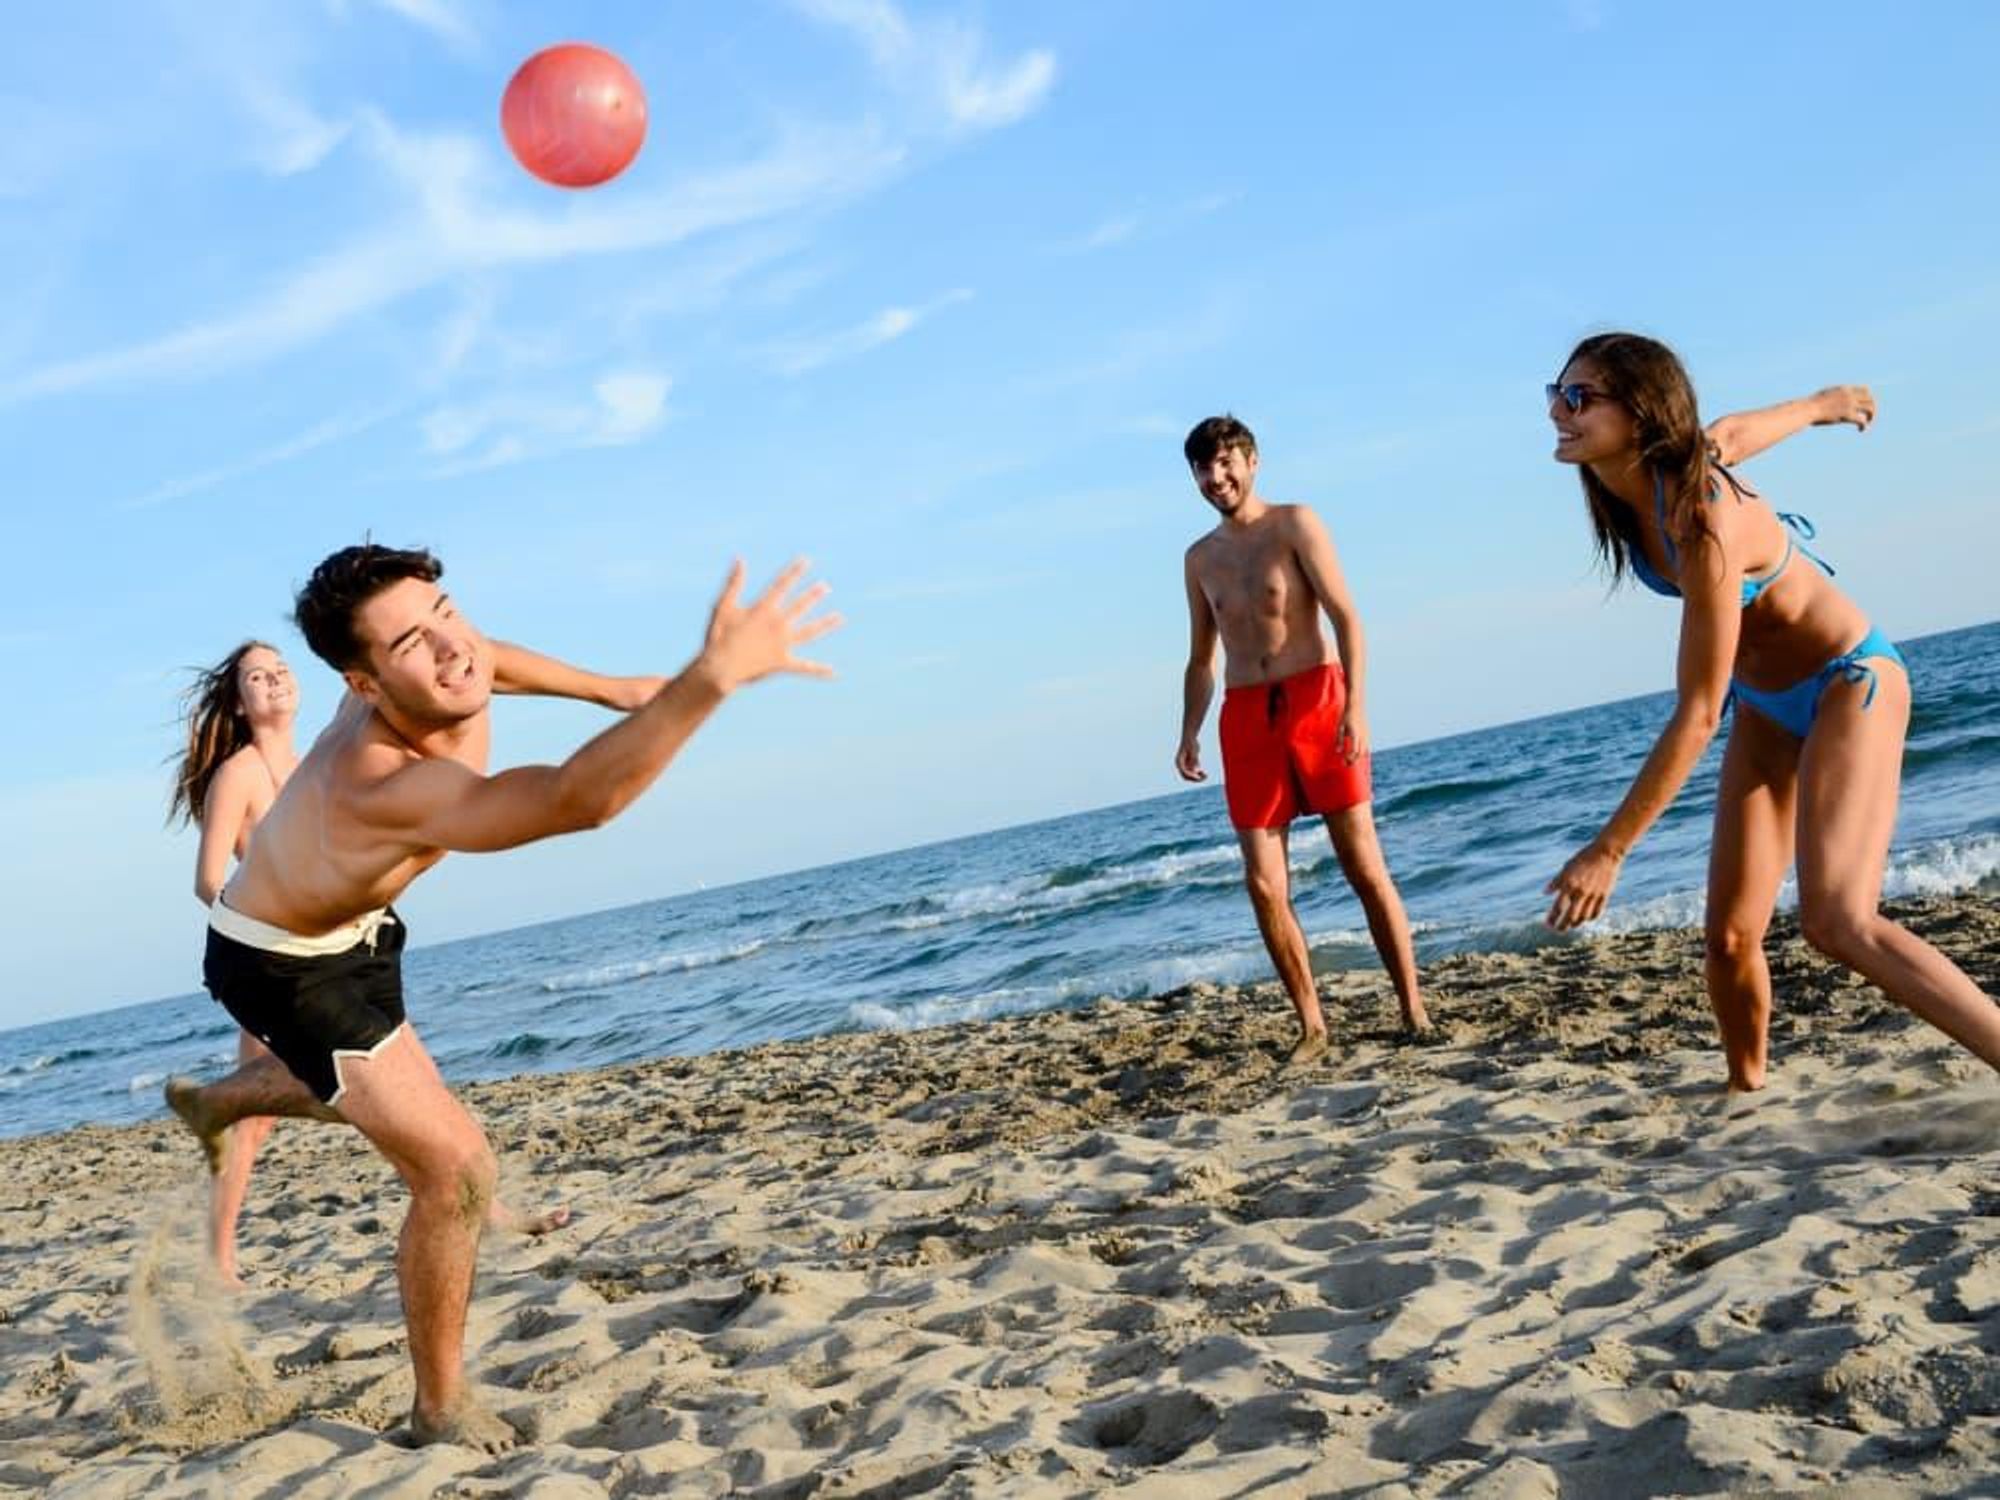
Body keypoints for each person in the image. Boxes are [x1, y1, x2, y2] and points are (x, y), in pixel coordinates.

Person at [165, 544, 837, 1451]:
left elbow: (489, 661)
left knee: (404, 1106)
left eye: (446, 611)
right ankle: (439, 1407)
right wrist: (707, 680)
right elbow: (574, 799)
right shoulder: (387, 784)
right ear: (363, 684)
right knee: (457, 1171)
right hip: (280, 964)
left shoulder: (440, 667)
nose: (453, 648)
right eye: (412, 643)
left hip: (358, 928)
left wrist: (613, 692)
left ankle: (221, 1100)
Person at [1541, 331, 2000, 1090]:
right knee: (1727, 938)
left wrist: (1610, 851)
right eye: (1555, 394)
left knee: (1838, 921)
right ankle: (1745, 1096)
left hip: (1849, 682)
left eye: (1578, 397)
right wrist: (1823, 405)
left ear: (1643, 411)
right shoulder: (1633, 496)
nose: (1559, 411)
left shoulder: (1703, 513)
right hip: (1764, 707)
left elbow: (1698, 712)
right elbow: (1739, 430)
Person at [169, 638, 660, 1285]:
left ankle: (483, 1206)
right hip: (282, 959)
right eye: (258, 677)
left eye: (282, 669)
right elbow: (208, 881)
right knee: (263, 1117)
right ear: (238, 702)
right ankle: (221, 1261)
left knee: (411, 1088)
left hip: (347, 952)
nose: (276, 680)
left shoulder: (315, 756)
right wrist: (278, 926)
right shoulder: (241, 773)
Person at [1175, 415, 1430, 1065]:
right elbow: (1202, 658)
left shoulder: (1295, 524)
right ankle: (1312, 1027)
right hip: (1246, 718)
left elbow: (1347, 617)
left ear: (1252, 461)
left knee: (1363, 867)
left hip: (1319, 700)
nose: (1216, 477)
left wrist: (1356, 708)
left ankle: (1413, 1009)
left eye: (1226, 462)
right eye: (1204, 468)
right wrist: (1189, 731)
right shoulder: (1199, 559)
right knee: (1264, 885)